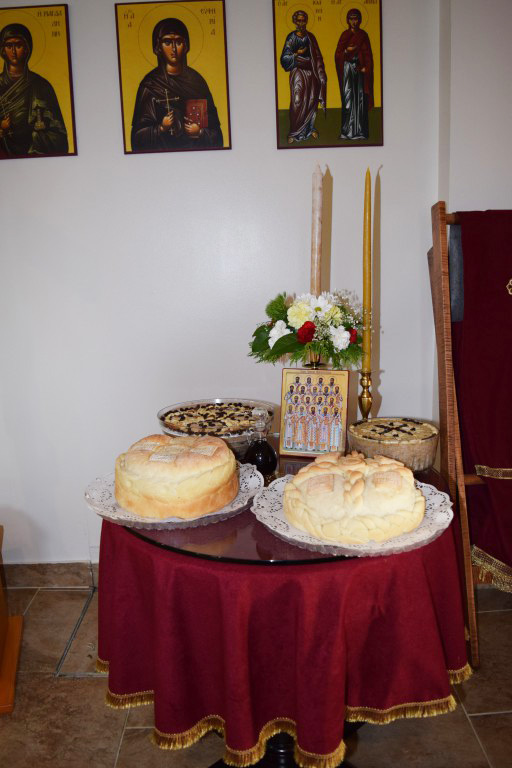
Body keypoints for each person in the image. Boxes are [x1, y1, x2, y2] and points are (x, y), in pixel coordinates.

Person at [131, 18, 223, 151]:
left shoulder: (197, 82)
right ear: (158, 47)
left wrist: (200, 132)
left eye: (178, 42)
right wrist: (161, 128)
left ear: (186, 46)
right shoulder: (149, 85)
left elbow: (217, 136)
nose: (173, 48)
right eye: (167, 42)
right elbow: (137, 139)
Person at [0, 23, 68, 157]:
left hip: (34, 154)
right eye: (8, 46)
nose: (13, 51)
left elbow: (59, 137)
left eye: (18, 45)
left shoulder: (42, 86)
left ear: (27, 49)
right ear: (2, 50)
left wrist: (37, 136)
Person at [280, 10, 326, 144]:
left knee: (311, 100)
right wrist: (296, 54)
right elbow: (284, 58)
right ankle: (294, 132)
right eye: (299, 21)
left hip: (311, 72)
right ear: (295, 21)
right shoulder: (291, 37)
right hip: (298, 72)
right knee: (297, 100)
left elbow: (318, 57)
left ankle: (310, 129)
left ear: (306, 21)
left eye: (303, 20)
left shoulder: (311, 37)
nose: (301, 23)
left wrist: (321, 73)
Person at [334, 8, 374, 140]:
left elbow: (368, 55)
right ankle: (346, 131)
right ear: (347, 20)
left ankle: (360, 131)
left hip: (360, 71)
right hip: (347, 70)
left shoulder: (363, 35)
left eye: (356, 19)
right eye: (351, 19)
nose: (354, 22)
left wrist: (366, 68)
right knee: (348, 99)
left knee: (360, 99)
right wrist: (346, 51)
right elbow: (338, 55)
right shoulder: (344, 35)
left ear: (360, 20)